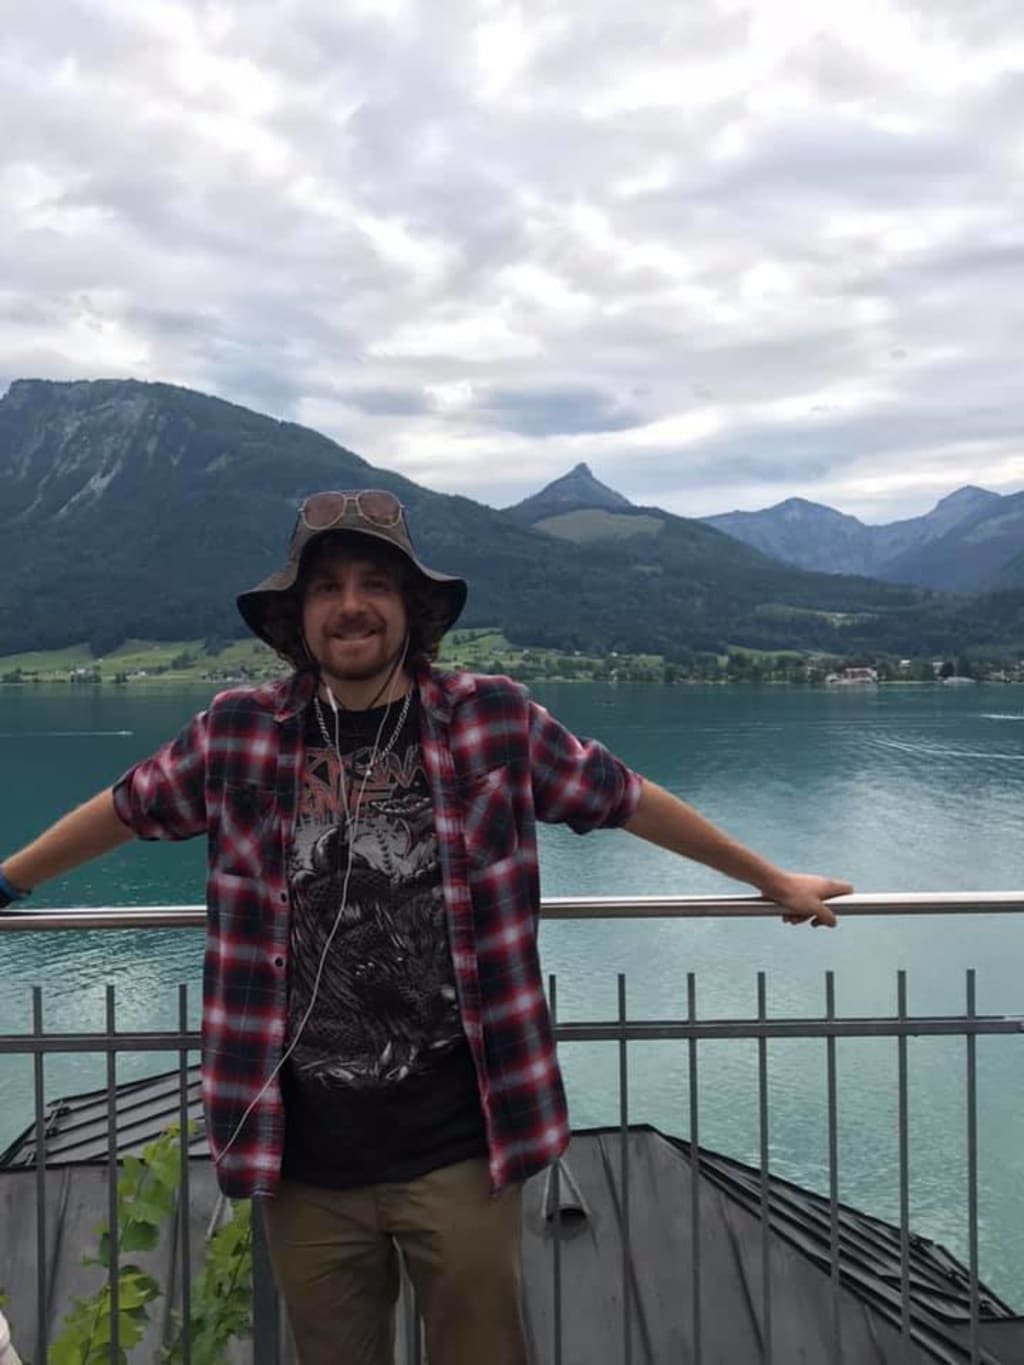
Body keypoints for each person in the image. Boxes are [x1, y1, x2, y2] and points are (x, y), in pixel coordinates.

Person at [0, 490, 852, 1365]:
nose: (351, 605)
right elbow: (127, 807)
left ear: (412, 606)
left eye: (375, 583)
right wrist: (7, 880)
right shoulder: (238, 731)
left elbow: (625, 797)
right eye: (326, 587)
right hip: (303, 1158)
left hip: (461, 1149)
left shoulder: (492, 717)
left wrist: (770, 879)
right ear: (298, 616)